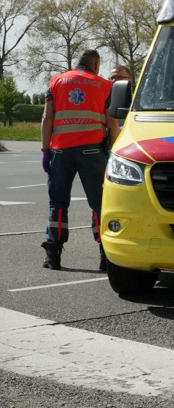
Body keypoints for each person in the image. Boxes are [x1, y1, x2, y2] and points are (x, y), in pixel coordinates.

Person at [40, 50, 120, 271]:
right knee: (99, 203)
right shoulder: (105, 85)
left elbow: (47, 118)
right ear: (96, 64)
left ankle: (53, 255)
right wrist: (113, 152)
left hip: (61, 151)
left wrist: (45, 149)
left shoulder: (56, 82)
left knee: (58, 203)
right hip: (92, 151)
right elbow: (112, 123)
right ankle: (106, 255)